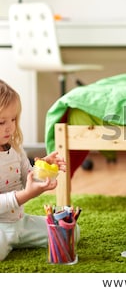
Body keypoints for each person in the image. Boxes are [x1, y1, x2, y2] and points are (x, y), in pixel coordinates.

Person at [0, 79, 68, 261]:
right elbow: (26, 192)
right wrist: (25, 195)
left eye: (13, 119)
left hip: (21, 223)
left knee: (69, 232)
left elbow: (28, 179)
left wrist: (44, 167)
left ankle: (14, 241)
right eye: (1, 122)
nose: (9, 127)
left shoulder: (16, 149)